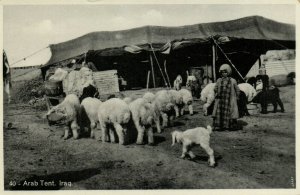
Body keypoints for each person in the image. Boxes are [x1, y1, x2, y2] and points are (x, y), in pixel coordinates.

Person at [212, 64, 240, 131]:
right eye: (222, 72)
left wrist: (237, 96)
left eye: (225, 72)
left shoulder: (233, 80)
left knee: (229, 113)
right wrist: (216, 91)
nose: (224, 74)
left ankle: (227, 127)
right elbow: (215, 88)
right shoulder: (219, 80)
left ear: (228, 72)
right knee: (219, 113)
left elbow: (237, 89)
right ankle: (218, 126)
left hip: (229, 100)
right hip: (220, 100)